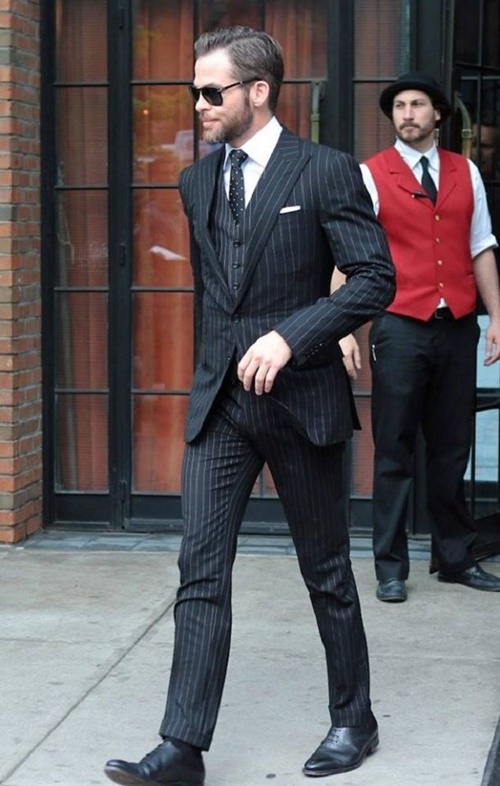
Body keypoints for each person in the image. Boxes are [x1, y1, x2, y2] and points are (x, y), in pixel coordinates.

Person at [104, 26, 395, 786]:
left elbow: (374, 278)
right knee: (199, 571)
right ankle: (182, 748)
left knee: (326, 570)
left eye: (212, 91)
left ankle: (354, 719)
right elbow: (216, 292)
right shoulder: (196, 182)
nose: (198, 104)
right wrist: (215, 367)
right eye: (194, 91)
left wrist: (295, 335)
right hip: (221, 407)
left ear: (259, 91)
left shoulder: (326, 170)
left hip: (301, 402)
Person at [333, 72, 500, 604]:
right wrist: (342, 328)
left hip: (458, 328)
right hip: (399, 326)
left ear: (438, 115)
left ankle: (455, 557)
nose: (407, 113)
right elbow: (348, 254)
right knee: (394, 449)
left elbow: (481, 246)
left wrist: (497, 317)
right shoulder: (370, 173)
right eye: (399, 106)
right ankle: (390, 567)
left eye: (418, 104)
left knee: (452, 448)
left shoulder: (465, 171)